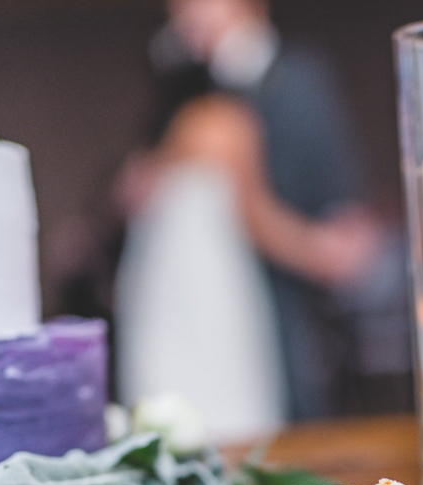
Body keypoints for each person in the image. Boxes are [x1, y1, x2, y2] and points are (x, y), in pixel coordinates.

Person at [115, 0, 380, 437]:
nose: (185, 16)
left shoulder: (298, 82)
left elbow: (335, 206)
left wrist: (329, 249)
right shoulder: (195, 108)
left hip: (278, 313)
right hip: (203, 306)